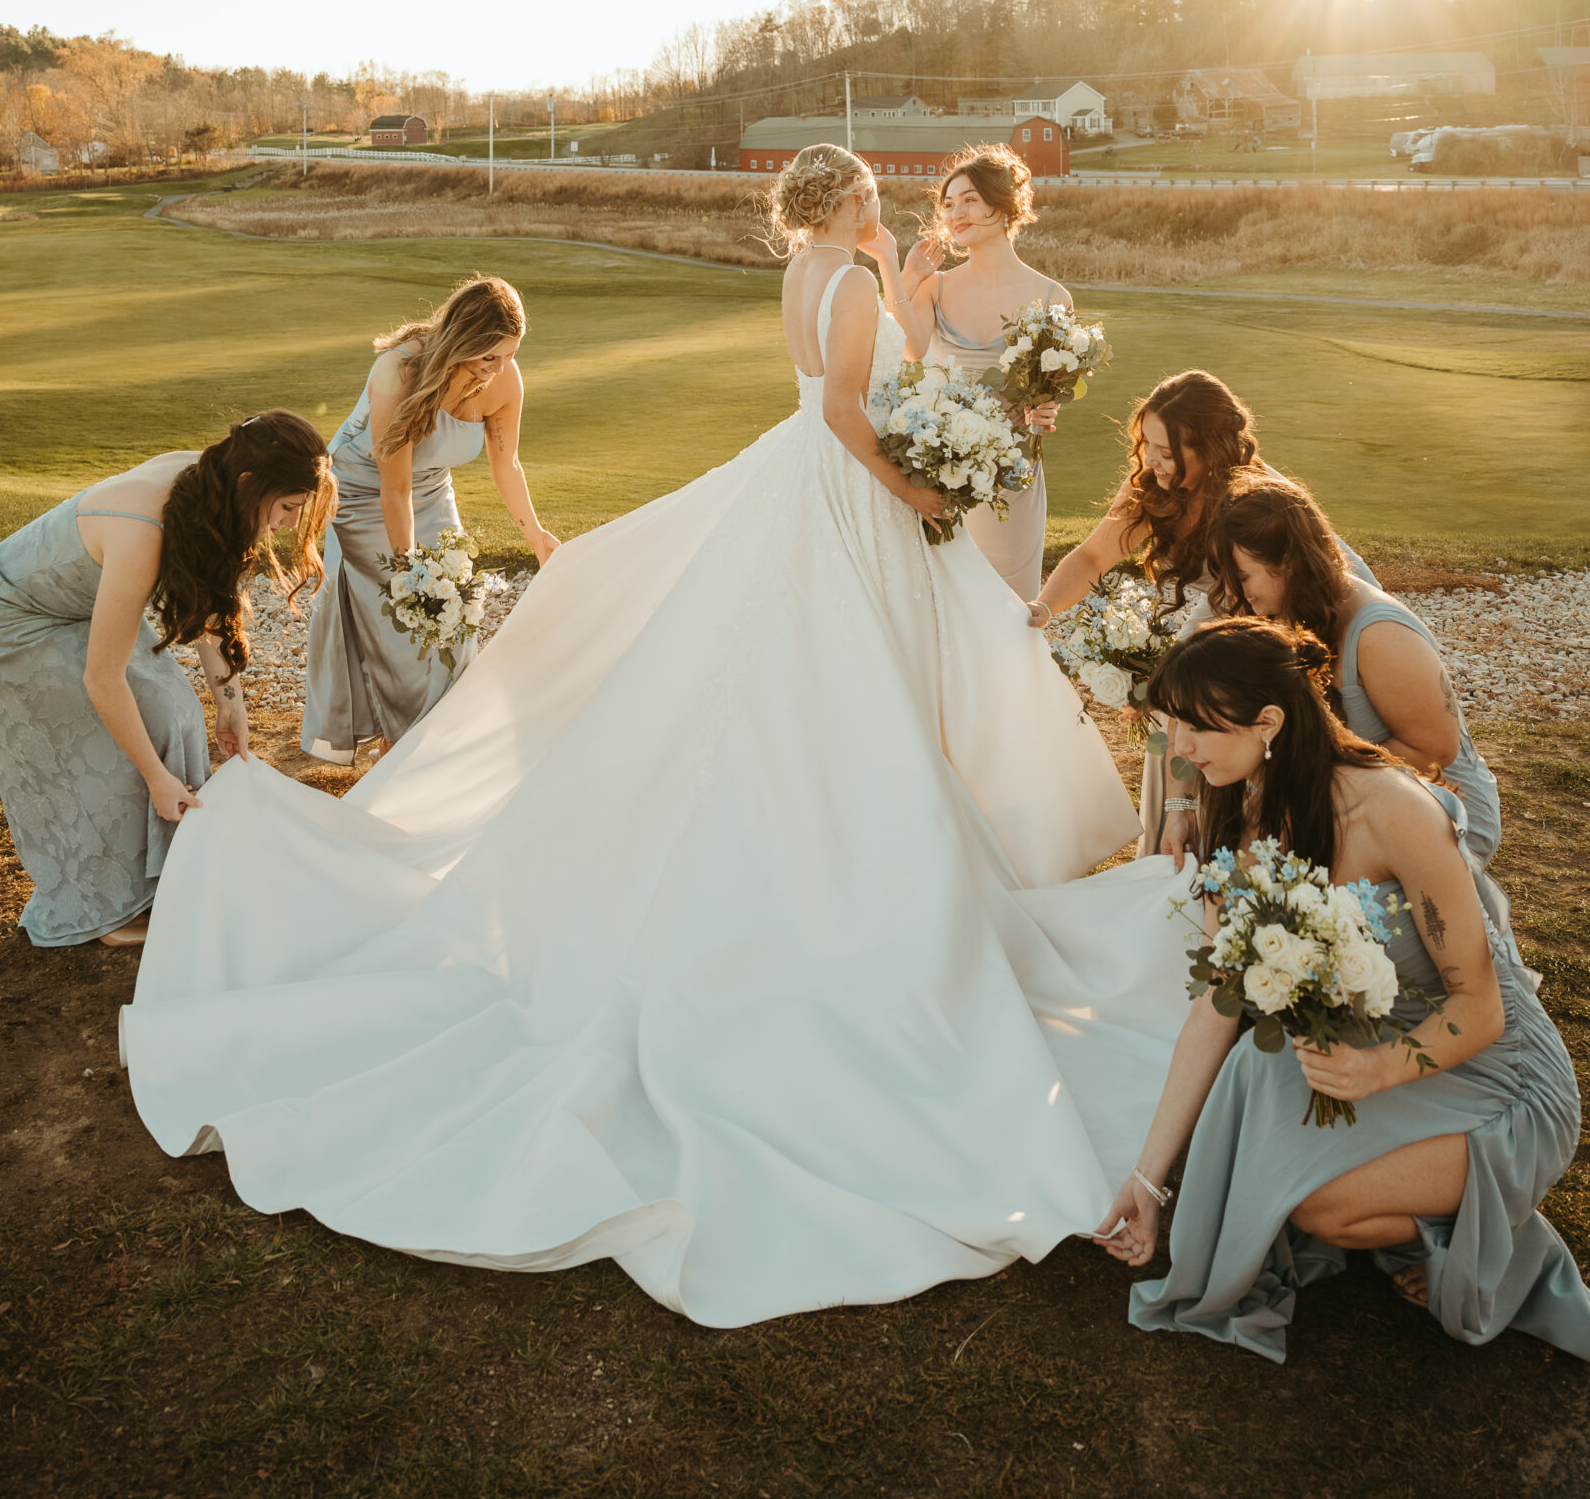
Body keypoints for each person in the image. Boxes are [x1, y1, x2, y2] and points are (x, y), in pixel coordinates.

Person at [120, 144, 1177, 1331]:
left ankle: (825, 854)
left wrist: (900, 326)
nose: (888, 203)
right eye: (871, 193)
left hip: (813, 493)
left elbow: (850, 376)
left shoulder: (822, 271)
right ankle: (834, 885)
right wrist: (919, 488)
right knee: (831, 688)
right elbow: (841, 412)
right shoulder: (850, 281)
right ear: (840, 201)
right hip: (844, 495)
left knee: (805, 685)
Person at [1096, 618, 1589, 1362]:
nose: (1179, 749)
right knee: (1258, 1073)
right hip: (1365, 1034)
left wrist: (1378, 1071)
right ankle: (1427, 1207)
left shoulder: (1392, 810)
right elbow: (1216, 1005)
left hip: (1490, 1070)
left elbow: (1479, 1008)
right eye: (1173, 725)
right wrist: (1149, 1180)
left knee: (1322, 1210)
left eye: (1195, 728)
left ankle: (1484, 1227)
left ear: (1268, 722)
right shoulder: (1236, 806)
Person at [0, 414, 334, 948]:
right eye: (289, 506)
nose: (292, 523)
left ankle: (164, 875)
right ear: (251, 483)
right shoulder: (145, 528)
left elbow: (207, 597)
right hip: (8, 620)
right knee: (111, 746)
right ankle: (106, 908)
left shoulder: (214, 486)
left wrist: (229, 702)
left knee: (173, 708)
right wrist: (156, 777)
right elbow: (103, 681)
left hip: (75, 607)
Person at [1027, 372, 1373, 862]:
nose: (1150, 460)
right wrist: (1042, 608)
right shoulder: (1152, 489)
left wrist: (1172, 683)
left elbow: (1299, 605)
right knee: (1174, 789)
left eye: (1166, 452)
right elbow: (1090, 557)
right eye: (1146, 443)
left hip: (1252, 659)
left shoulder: (1255, 503)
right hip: (1195, 654)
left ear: (1208, 449)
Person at [301, 274, 559, 765]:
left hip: (432, 490)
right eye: (490, 355)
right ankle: (398, 749)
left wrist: (536, 536)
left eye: (510, 354)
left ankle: (440, 748)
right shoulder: (397, 371)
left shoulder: (505, 378)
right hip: (362, 494)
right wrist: (411, 573)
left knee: (457, 618)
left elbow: (507, 466)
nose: (501, 368)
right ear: (464, 339)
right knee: (399, 629)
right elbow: (393, 488)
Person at [1206, 475, 1501, 862]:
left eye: (1243, 576)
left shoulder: (1379, 634)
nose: (1234, 592)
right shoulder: (1282, 608)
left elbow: (1433, 750)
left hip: (1442, 808)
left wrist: (1306, 781)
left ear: (1288, 563)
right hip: (1356, 794)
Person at [867, 144, 1066, 605]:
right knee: (944, 603)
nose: (957, 213)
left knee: (1009, 603)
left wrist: (1047, 409)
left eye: (970, 200)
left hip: (1012, 474)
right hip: (942, 470)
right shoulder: (937, 286)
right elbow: (909, 348)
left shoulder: (1053, 295)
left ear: (1003, 204)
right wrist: (901, 273)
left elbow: (1045, 395)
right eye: (949, 204)